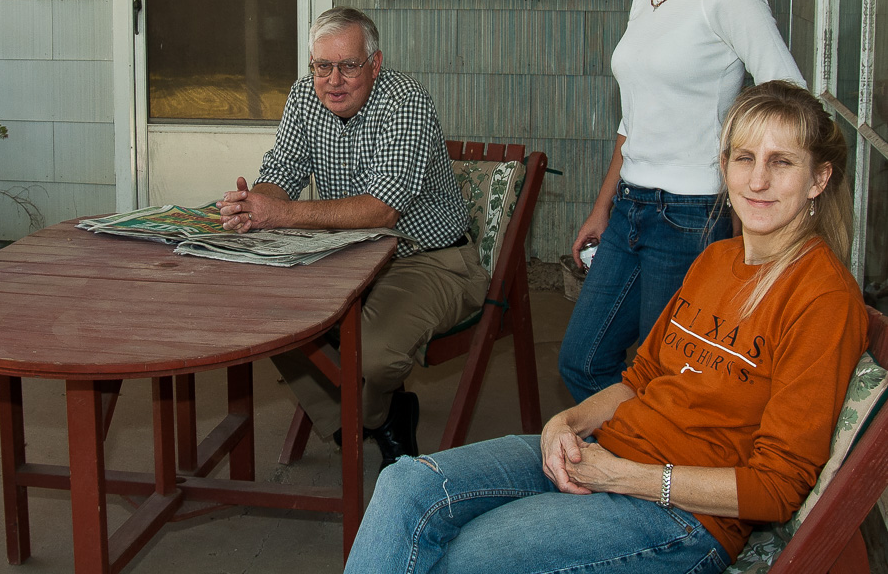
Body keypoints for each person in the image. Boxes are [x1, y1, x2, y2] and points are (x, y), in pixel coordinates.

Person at [343, 80, 867, 574]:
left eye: (782, 162)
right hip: (610, 456)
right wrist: (566, 424)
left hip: (682, 517)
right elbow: (639, 380)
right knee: (405, 485)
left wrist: (625, 478)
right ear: (724, 166)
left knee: (463, 557)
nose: (757, 180)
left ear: (819, 178)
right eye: (745, 158)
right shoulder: (715, 261)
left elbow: (776, 487)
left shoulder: (823, 298)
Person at [559, 0, 807, 403]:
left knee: (666, 381)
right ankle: (623, 472)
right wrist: (603, 207)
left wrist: (749, 175)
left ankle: (648, 486)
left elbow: (789, 98)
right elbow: (635, 118)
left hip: (692, 214)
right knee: (582, 360)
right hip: (631, 207)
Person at [216, 6, 489, 469]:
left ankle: (372, 412)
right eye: (323, 66)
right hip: (344, 256)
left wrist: (281, 213)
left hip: (425, 258)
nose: (334, 80)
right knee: (266, 319)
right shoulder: (305, 97)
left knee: (374, 356)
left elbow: (382, 209)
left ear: (375, 63)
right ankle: (367, 420)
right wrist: (252, 203)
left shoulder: (405, 100)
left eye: (349, 65)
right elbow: (281, 172)